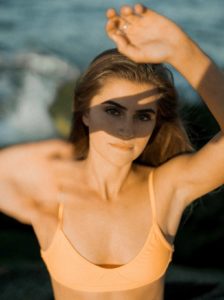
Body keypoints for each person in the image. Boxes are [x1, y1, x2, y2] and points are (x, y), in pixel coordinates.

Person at [0, 3, 224, 300]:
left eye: (143, 116)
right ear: (85, 114)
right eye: (113, 111)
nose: (126, 129)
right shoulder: (52, 190)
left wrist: (181, 50)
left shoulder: (167, 189)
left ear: (157, 123)